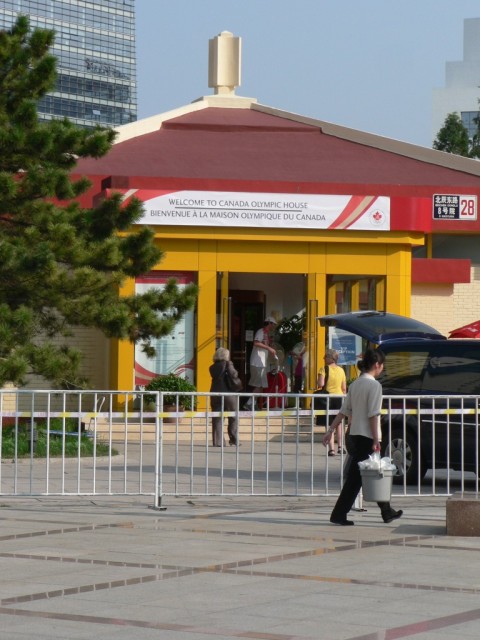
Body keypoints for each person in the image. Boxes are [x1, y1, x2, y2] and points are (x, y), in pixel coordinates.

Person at [322, 348, 403, 526]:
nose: (382, 368)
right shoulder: (374, 386)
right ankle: (340, 514)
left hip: (355, 434)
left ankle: (385, 511)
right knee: (363, 476)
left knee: (366, 474)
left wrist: (330, 430)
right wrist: (376, 439)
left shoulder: (356, 384)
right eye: (382, 365)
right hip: (368, 436)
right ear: (377, 364)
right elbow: (374, 415)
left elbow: (344, 411)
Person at [317, 348, 347, 456]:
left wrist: (318, 380)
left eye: (325, 356)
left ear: (331, 358)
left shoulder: (323, 369)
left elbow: (320, 384)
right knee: (339, 423)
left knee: (329, 424)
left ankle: (331, 449)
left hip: (328, 398)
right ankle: (340, 447)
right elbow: (344, 388)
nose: (324, 358)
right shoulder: (341, 370)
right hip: (339, 398)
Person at [209, 347, 241, 446]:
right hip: (228, 393)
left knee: (217, 417)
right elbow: (234, 374)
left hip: (214, 393)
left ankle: (218, 442)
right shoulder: (228, 363)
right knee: (233, 415)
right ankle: (234, 439)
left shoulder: (212, 367)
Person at [246, 316, 277, 410]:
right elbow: (256, 343)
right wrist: (269, 348)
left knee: (259, 385)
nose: (274, 326)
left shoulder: (266, 334)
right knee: (260, 385)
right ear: (269, 323)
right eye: (273, 324)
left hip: (260, 363)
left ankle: (252, 403)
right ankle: (249, 403)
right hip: (258, 362)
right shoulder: (261, 331)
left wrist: (270, 346)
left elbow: (263, 345)